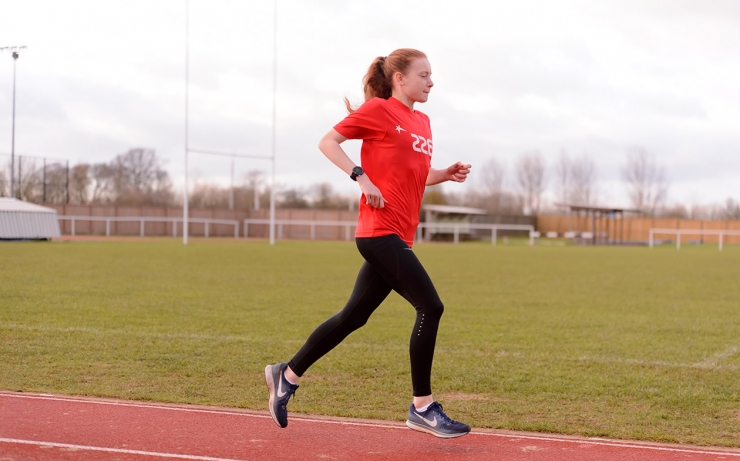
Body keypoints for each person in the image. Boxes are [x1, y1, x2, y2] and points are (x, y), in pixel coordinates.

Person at [264, 48, 472, 438]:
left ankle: (285, 375)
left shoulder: (423, 121)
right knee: (431, 305)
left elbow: (414, 174)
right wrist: (361, 176)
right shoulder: (378, 111)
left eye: (431, 76)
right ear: (399, 79)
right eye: (423, 75)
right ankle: (422, 407)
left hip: (399, 232)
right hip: (378, 232)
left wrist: (444, 174)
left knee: (353, 317)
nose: (431, 82)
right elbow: (328, 142)